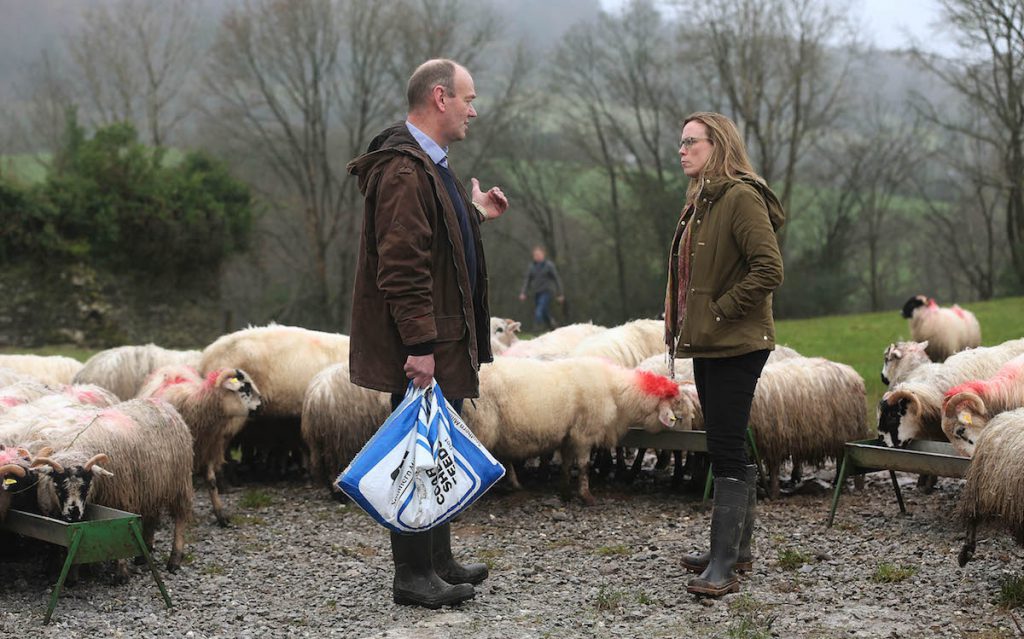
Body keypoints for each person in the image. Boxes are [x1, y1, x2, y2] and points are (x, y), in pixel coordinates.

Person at [346, 59, 509, 609]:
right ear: (440, 98)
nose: (473, 109)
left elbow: (435, 235)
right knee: (416, 455)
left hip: (440, 340)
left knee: (435, 450)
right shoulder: (403, 170)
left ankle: (437, 561)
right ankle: (412, 576)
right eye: (468, 97)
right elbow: (402, 265)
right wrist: (418, 347)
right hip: (425, 346)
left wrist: (474, 214)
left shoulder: (431, 166)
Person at [663, 112, 784, 598]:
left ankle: (723, 566)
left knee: (726, 448)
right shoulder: (702, 201)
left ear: (719, 146)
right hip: (711, 341)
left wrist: (719, 311)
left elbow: (768, 268)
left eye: (692, 142)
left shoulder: (739, 197)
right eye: (681, 142)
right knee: (724, 444)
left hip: (736, 342)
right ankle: (736, 550)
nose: (682, 149)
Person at [518, 245, 564, 331]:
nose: (537, 256)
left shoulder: (549, 265)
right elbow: (527, 280)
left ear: (543, 254)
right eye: (535, 255)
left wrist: (560, 293)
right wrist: (523, 292)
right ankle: (553, 326)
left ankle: (537, 330)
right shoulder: (531, 267)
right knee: (545, 312)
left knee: (539, 311)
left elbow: (556, 279)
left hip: (547, 292)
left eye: (539, 254)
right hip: (536, 293)